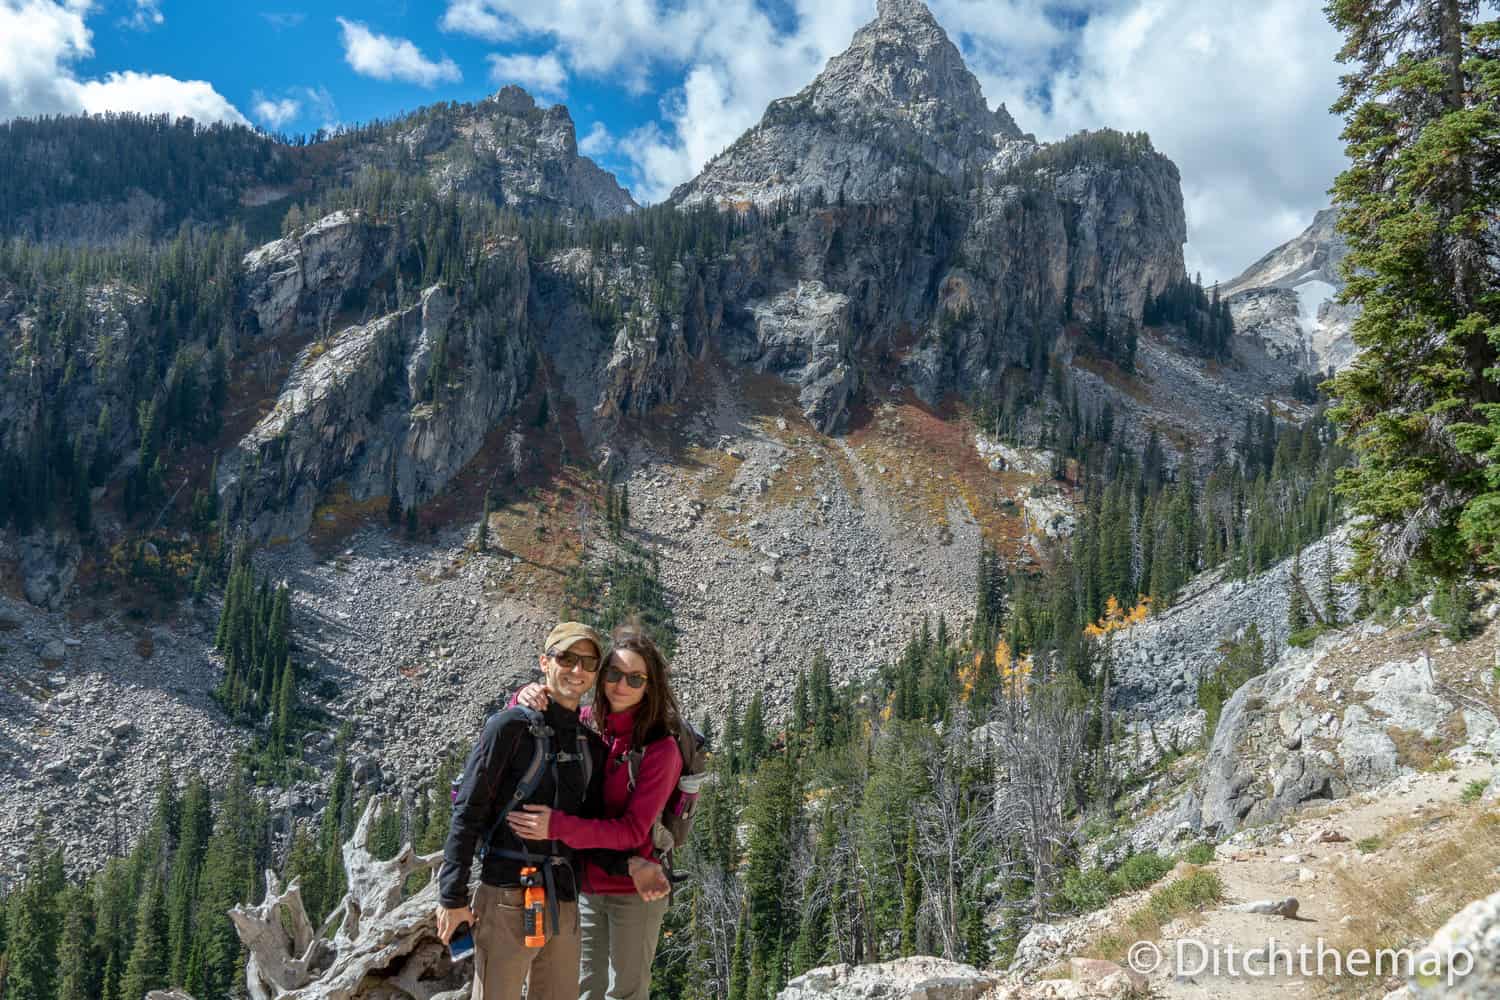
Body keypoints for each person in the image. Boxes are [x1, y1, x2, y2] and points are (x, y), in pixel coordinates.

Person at [434, 621, 662, 1000]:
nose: (577, 670)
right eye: (566, 658)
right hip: (506, 893)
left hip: (564, 904)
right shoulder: (508, 727)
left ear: (595, 675)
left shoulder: (590, 746)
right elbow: (468, 811)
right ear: (545, 661)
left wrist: (628, 865)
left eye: (588, 663)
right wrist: (452, 898)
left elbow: (586, 829)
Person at [505, 631, 682, 1000]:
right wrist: (520, 697)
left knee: (626, 993)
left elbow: (634, 831)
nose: (621, 685)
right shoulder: (587, 723)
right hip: (584, 883)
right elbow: (524, 726)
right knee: (585, 990)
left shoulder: (660, 749)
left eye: (635, 678)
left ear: (650, 687)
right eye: (614, 673)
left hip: (635, 892)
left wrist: (557, 826)